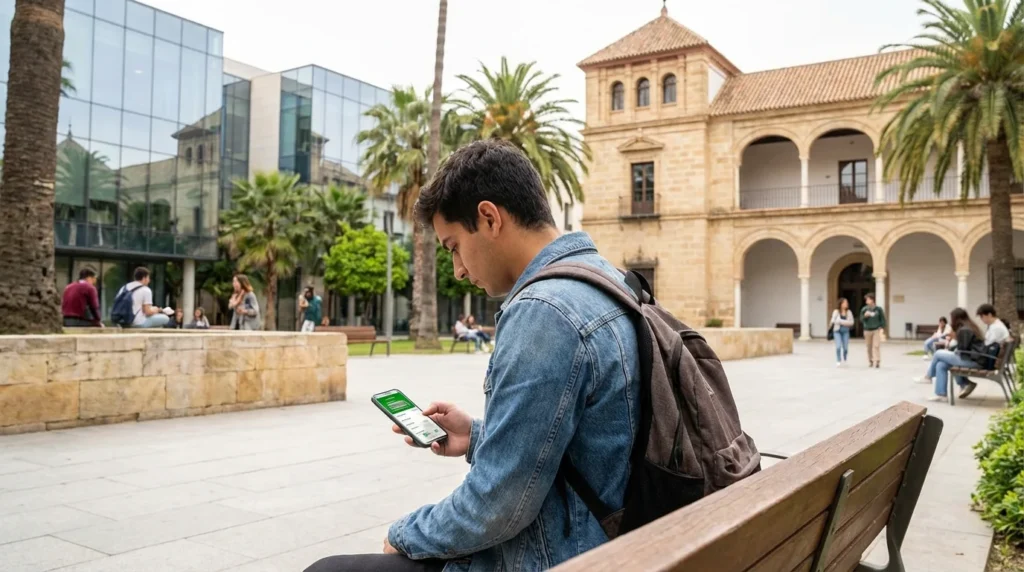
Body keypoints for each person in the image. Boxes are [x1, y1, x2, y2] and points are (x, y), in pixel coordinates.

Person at [305, 140, 641, 572]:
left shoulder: (545, 312)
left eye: (453, 247)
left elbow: (497, 504)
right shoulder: (612, 283)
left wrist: (402, 534)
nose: (458, 270)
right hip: (625, 546)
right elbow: (589, 448)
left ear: (488, 217)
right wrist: (479, 436)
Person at [918, 307, 986, 401]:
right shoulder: (968, 327)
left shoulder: (964, 330)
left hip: (973, 361)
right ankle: (942, 395)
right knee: (941, 365)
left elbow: (963, 349)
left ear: (956, 318)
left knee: (938, 353)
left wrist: (955, 340)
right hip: (972, 358)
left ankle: (928, 377)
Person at [958, 304, 1013, 398]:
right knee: (946, 361)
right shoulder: (996, 325)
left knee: (949, 358)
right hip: (989, 358)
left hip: (986, 361)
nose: (982, 319)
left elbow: (985, 346)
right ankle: (964, 384)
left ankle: (964, 384)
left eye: (982, 316)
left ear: (989, 314)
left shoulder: (996, 328)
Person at [860, 293, 887, 368]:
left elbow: (882, 319)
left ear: (872, 300)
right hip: (867, 330)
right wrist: (865, 316)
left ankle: (877, 360)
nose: (866, 301)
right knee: (869, 346)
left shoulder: (878, 309)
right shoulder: (864, 309)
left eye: (868, 299)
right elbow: (861, 319)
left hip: (876, 329)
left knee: (876, 345)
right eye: (866, 300)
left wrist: (882, 327)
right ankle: (871, 360)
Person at [829, 298, 854, 367]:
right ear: (841, 304)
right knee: (838, 346)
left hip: (845, 332)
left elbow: (851, 322)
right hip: (837, 331)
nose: (846, 304)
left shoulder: (849, 312)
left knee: (845, 348)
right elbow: (833, 321)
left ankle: (845, 358)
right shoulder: (836, 312)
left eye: (847, 303)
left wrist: (841, 321)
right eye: (845, 303)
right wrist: (844, 322)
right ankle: (838, 360)